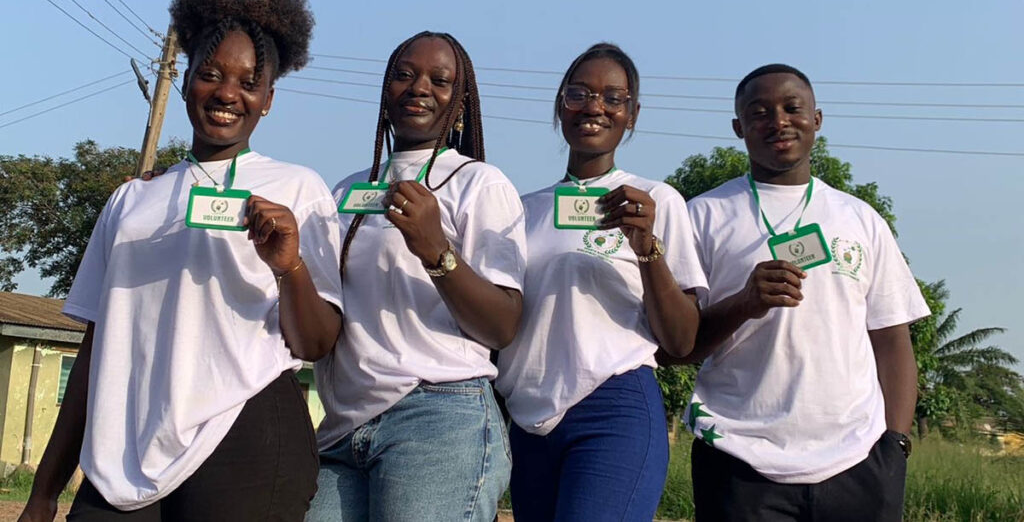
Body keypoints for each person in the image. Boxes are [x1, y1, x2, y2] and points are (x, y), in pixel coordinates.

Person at [19, 0, 343, 522]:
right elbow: (97, 351)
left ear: (268, 99)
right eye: (210, 73)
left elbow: (316, 343)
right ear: (186, 78)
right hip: (121, 453)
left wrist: (289, 267)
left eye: (249, 83)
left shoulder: (298, 190)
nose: (227, 93)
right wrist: (45, 490)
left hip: (246, 439)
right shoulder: (130, 200)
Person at [674, 64, 930, 521]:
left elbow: (892, 340)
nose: (779, 121)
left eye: (793, 108)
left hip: (859, 462)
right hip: (739, 458)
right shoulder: (702, 216)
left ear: (817, 119)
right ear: (739, 127)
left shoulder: (859, 219)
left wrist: (896, 444)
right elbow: (679, 346)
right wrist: (744, 304)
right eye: (760, 112)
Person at [308, 31, 526, 522]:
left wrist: (436, 250)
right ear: (385, 92)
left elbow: (503, 326)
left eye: (440, 80)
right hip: (344, 424)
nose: (419, 88)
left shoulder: (479, 183)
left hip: (439, 415)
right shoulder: (346, 191)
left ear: (460, 102)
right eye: (403, 75)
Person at [496, 43, 705, 522]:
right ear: (559, 106)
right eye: (579, 93)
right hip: (528, 419)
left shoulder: (656, 200)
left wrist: (646, 246)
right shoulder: (517, 210)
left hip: (613, 404)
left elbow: (681, 338)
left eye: (614, 98)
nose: (595, 107)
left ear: (632, 116)